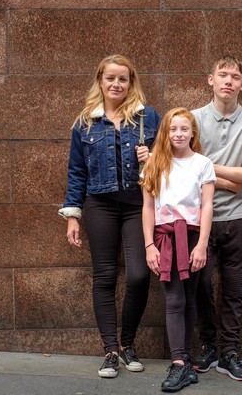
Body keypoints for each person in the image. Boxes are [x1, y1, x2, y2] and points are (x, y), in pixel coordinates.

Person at [58, 54, 161, 378]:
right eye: (110, 78)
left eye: (122, 79)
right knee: (104, 277)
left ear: (131, 83)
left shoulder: (147, 117)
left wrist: (152, 156)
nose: (116, 84)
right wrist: (72, 215)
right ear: (100, 81)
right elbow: (77, 171)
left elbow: (172, 158)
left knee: (139, 276)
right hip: (99, 205)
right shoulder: (85, 122)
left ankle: (128, 343)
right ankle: (111, 351)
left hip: (137, 205)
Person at [191, 55, 242, 381]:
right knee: (201, 284)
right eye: (223, 75)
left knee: (234, 290)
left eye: (235, 77)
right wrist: (229, 179)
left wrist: (206, 168)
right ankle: (208, 346)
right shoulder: (192, 119)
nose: (228, 81)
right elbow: (183, 167)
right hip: (198, 218)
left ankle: (229, 353)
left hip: (238, 218)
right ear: (211, 80)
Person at [141, 107, 215, 392]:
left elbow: (207, 206)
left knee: (189, 298)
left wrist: (202, 244)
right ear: (165, 132)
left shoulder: (203, 164)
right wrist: (149, 245)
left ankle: (184, 362)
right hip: (165, 237)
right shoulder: (154, 163)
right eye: (173, 129)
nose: (178, 134)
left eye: (184, 129)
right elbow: (148, 207)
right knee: (174, 299)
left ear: (192, 132)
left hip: (193, 236)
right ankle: (179, 363)